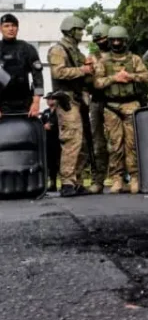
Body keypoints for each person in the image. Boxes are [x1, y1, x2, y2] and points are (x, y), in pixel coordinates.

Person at [94, 26, 148, 194]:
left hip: (131, 104)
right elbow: (97, 83)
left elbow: (146, 77)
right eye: (114, 41)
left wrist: (131, 77)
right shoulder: (103, 61)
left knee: (131, 144)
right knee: (115, 144)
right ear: (110, 41)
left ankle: (134, 177)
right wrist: (114, 78)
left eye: (120, 40)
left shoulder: (134, 60)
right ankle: (117, 178)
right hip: (111, 107)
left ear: (125, 41)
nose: (117, 43)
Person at [48, 15, 95, 198]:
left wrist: (91, 69)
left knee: (82, 142)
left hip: (79, 99)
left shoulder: (77, 52)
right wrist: (82, 70)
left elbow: (86, 78)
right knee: (71, 139)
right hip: (66, 100)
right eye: (79, 30)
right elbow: (58, 72)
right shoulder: (58, 50)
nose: (82, 33)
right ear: (71, 30)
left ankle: (77, 181)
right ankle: (67, 182)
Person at [0, 13, 44, 116]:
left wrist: (36, 102)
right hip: (2, 105)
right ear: (1, 28)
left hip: (25, 105)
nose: (11, 29)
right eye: (7, 26)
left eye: (14, 25)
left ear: (18, 28)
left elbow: (37, 77)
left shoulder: (27, 48)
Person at [87, 22, 110, 194]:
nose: (102, 41)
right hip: (96, 101)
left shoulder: (122, 55)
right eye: (99, 39)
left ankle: (122, 177)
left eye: (105, 38)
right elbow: (87, 81)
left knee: (121, 142)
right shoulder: (92, 56)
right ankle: (98, 180)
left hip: (115, 101)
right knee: (97, 143)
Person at [41, 93, 61, 192]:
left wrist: (51, 126)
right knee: (50, 163)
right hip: (48, 141)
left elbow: (57, 124)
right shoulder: (45, 112)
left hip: (59, 140)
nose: (49, 101)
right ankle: (52, 183)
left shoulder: (60, 111)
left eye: (51, 99)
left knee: (60, 162)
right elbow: (41, 124)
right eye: (47, 99)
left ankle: (66, 183)